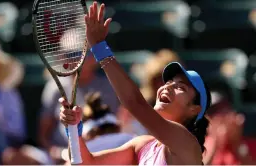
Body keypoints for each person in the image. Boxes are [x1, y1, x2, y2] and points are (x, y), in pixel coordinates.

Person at [59, 2, 212, 165]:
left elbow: (135, 103)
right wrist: (74, 129)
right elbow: (88, 163)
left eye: (180, 87)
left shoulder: (186, 143)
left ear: (194, 109)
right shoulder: (142, 145)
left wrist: (99, 48)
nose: (168, 86)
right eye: (168, 82)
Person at [39, 53, 119, 163]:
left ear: (93, 59)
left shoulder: (107, 87)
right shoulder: (54, 87)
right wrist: (55, 152)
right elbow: (43, 134)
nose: (74, 60)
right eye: (69, 55)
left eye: (79, 54)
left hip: (97, 152)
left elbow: (113, 128)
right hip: (58, 156)